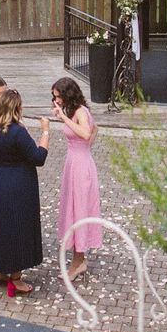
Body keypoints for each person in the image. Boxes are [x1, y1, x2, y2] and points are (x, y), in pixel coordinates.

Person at [0, 88, 49, 296]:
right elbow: (38, 158)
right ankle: (16, 280)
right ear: (16, 109)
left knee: (2, 224)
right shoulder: (18, 132)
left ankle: (1, 271)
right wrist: (45, 132)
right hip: (19, 182)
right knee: (19, 226)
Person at [51, 76, 102, 281]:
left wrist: (64, 119)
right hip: (73, 162)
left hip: (81, 166)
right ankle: (77, 257)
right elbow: (95, 129)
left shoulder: (80, 111)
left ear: (67, 94)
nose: (57, 100)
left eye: (59, 96)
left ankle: (78, 260)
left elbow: (87, 131)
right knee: (72, 208)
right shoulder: (73, 111)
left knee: (80, 209)